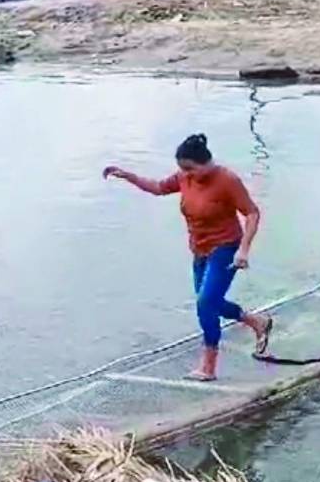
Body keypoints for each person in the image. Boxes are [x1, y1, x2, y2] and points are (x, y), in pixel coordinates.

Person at [103, 134, 274, 382]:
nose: (186, 174)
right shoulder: (185, 177)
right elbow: (159, 188)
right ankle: (258, 322)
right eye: (183, 170)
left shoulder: (227, 180)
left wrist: (244, 249)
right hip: (199, 249)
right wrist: (128, 176)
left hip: (226, 247)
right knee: (210, 302)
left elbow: (252, 213)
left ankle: (208, 367)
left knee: (206, 302)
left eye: (190, 169)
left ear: (205, 162)